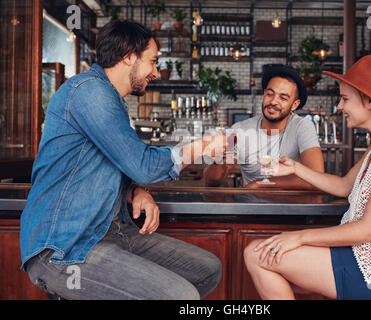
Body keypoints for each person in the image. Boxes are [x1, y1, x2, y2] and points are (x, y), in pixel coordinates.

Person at [20, 20, 226, 300]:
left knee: (207, 269)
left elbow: (106, 163)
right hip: (65, 246)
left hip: (112, 234)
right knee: (181, 296)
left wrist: (134, 191)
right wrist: (200, 146)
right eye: (152, 61)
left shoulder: (111, 100)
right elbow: (142, 165)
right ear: (128, 56)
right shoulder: (89, 92)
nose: (156, 72)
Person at [244, 55, 371, 300]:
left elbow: (369, 230)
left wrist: (297, 237)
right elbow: (345, 186)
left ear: (369, 101)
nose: (339, 107)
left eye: (345, 99)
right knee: (267, 257)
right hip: (359, 257)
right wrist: (295, 167)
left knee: (257, 254)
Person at [204, 64, 324, 189]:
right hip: (253, 205)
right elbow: (211, 182)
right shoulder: (241, 130)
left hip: (293, 205)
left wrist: (259, 184)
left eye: (283, 98)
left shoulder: (302, 126)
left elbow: (316, 177)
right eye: (269, 94)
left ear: (294, 105)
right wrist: (219, 158)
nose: (273, 102)